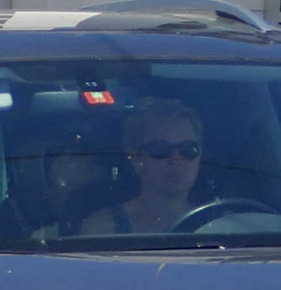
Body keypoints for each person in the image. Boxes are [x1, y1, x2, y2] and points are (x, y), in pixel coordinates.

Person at [77, 98, 206, 235]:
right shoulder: (102, 231)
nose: (176, 159)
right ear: (135, 158)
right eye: (161, 150)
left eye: (188, 150)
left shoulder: (219, 225)